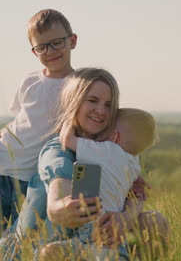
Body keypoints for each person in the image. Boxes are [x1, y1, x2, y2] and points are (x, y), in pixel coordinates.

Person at [0, 68, 169, 261]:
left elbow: (138, 193)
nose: (101, 110)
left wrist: (125, 218)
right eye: (92, 100)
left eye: (108, 104)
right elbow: (59, 182)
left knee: (154, 221)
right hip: (35, 247)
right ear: (74, 103)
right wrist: (58, 206)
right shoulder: (58, 148)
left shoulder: (116, 153)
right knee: (54, 251)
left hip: (92, 243)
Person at [0, 9, 77, 261]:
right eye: (41, 47)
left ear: (73, 40)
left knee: (20, 241)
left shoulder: (77, 85)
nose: (50, 51)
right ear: (34, 51)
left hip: (34, 179)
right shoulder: (30, 81)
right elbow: (18, 122)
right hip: (1, 167)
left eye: (57, 42)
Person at [40, 107, 158, 260]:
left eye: (106, 130)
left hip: (92, 227)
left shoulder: (106, 150)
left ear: (114, 136)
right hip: (114, 235)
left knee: (51, 252)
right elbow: (137, 188)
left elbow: (67, 139)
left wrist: (71, 116)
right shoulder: (134, 163)